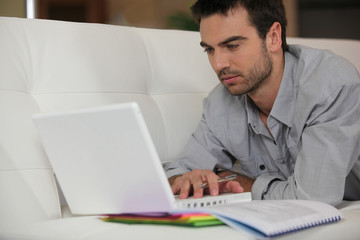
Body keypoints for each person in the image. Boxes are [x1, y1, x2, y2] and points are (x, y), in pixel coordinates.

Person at [164, 0, 360, 206]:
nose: (218, 64)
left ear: (273, 37)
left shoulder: (330, 86)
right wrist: (185, 181)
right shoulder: (220, 104)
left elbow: (310, 200)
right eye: (209, 50)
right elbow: (178, 170)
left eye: (232, 46)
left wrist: (234, 181)